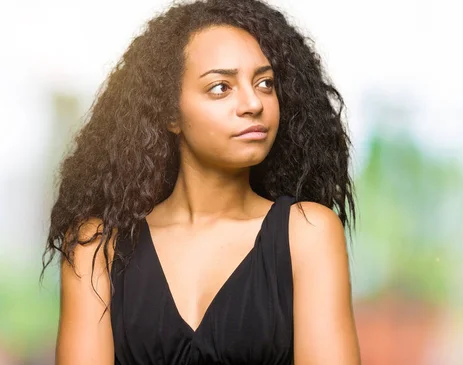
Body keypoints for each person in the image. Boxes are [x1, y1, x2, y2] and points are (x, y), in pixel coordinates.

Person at [42, 0, 360, 364]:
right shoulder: (97, 248)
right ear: (170, 114)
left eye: (265, 83)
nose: (253, 102)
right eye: (221, 87)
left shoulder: (306, 232)